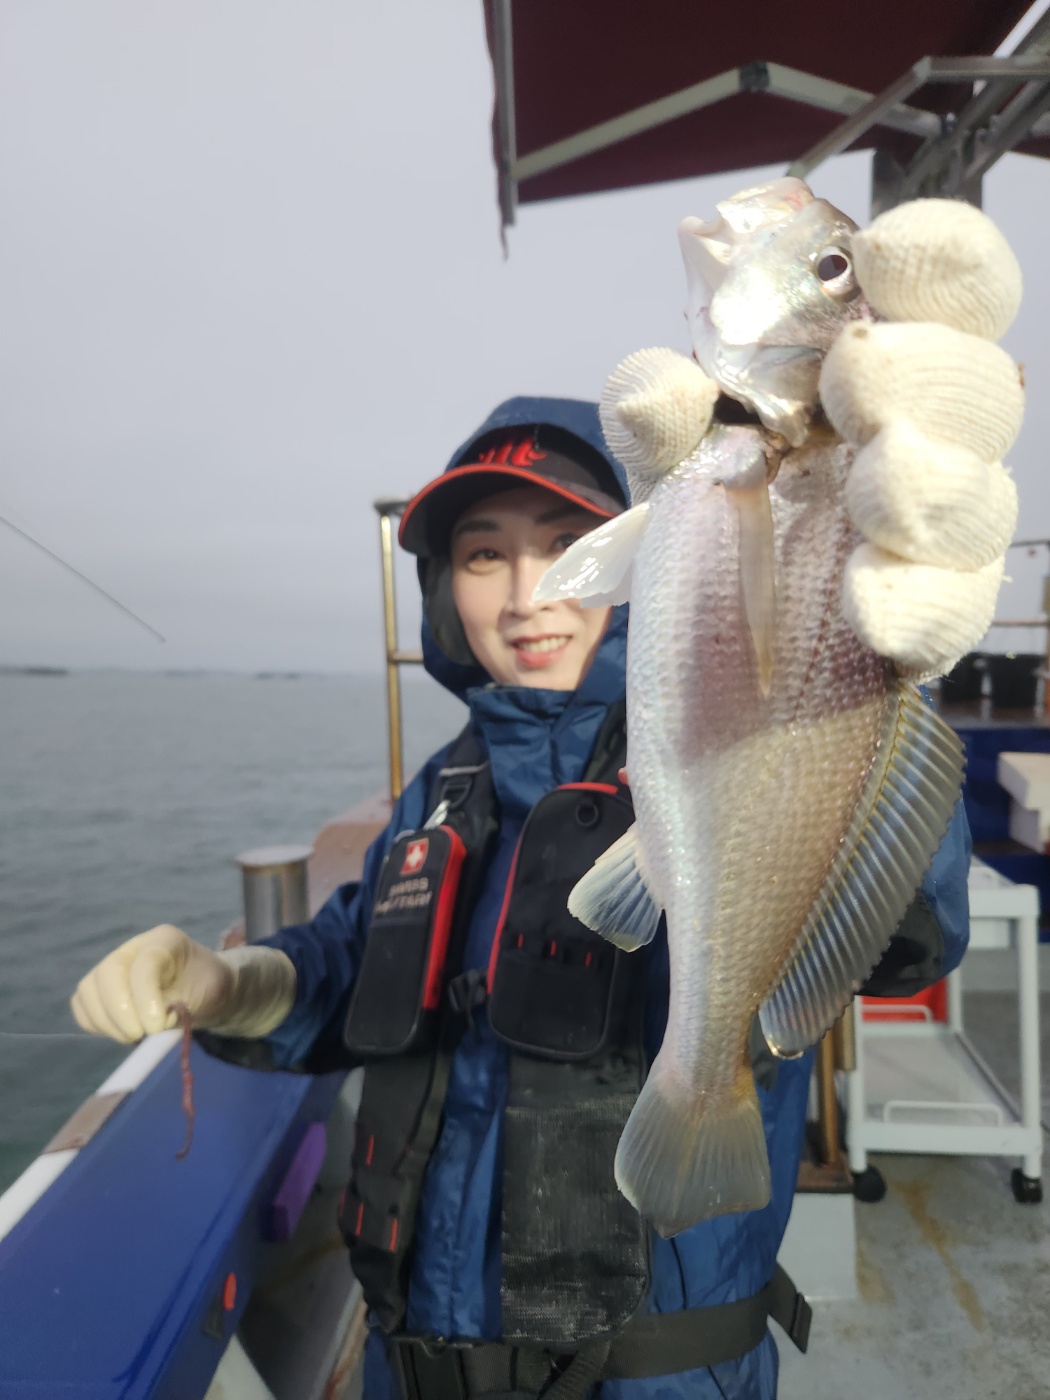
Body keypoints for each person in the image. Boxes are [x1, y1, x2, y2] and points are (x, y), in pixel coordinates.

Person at [71, 199, 1022, 1400]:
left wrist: (881, 664)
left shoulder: (732, 706)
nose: (528, 592)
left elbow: (904, 931)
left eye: (566, 536)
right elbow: (346, 973)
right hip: (411, 1369)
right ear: (445, 589)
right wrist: (225, 983)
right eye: (483, 552)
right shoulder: (448, 786)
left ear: (640, 541)